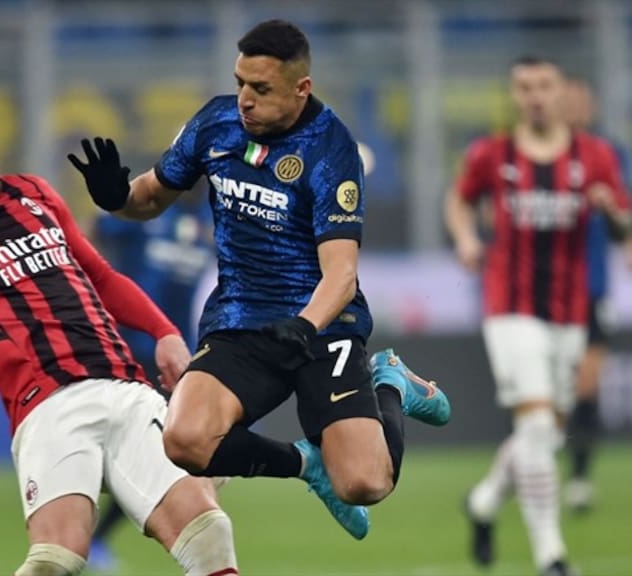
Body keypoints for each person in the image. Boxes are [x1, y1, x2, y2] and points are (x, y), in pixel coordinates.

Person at [69, 18, 451, 543]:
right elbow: (151, 197)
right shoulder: (216, 123)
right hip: (241, 318)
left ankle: (390, 384)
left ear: (301, 89)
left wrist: (306, 324)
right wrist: (117, 197)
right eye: (240, 83)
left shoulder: (331, 148)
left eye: (261, 88)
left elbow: (341, 274)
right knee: (184, 440)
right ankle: (303, 464)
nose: (245, 99)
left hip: (323, 324)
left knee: (364, 483)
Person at [0, 91, 239, 576]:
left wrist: (164, 332)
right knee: (56, 561)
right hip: (49, 405)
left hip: (125, 387)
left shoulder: (33, 195)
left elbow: (101, 278)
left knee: (209, 532)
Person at [445, 56, 630, 576]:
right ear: (515, 93)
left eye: (544, 85)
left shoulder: (595, 156)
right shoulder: (492, 153)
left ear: (560, 90)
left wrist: (613, 213)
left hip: (571, 314)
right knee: (536, 421)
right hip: (510, 308)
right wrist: (464, 237)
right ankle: (551, 555)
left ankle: (483, 502)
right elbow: (459, 200)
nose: (535, 96)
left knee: (544, 433)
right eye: (524, 87)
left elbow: (622, 225)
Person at [87, 188, 213, 572]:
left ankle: (96, 538)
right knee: (139, 450)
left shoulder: (211, 223)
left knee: (165, 454)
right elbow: (96, 233)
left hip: (175, 352)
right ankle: (85, 531)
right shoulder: (146, 214)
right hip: (125, 344)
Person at [561, 77, 632, 513]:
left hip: (593, 287)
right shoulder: (532, 154)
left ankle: (580, 479)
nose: (574, 108)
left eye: (580, 101)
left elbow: (623, 210)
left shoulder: (606, 153)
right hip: (545, 291)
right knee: (550, 393)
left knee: (586, 383)